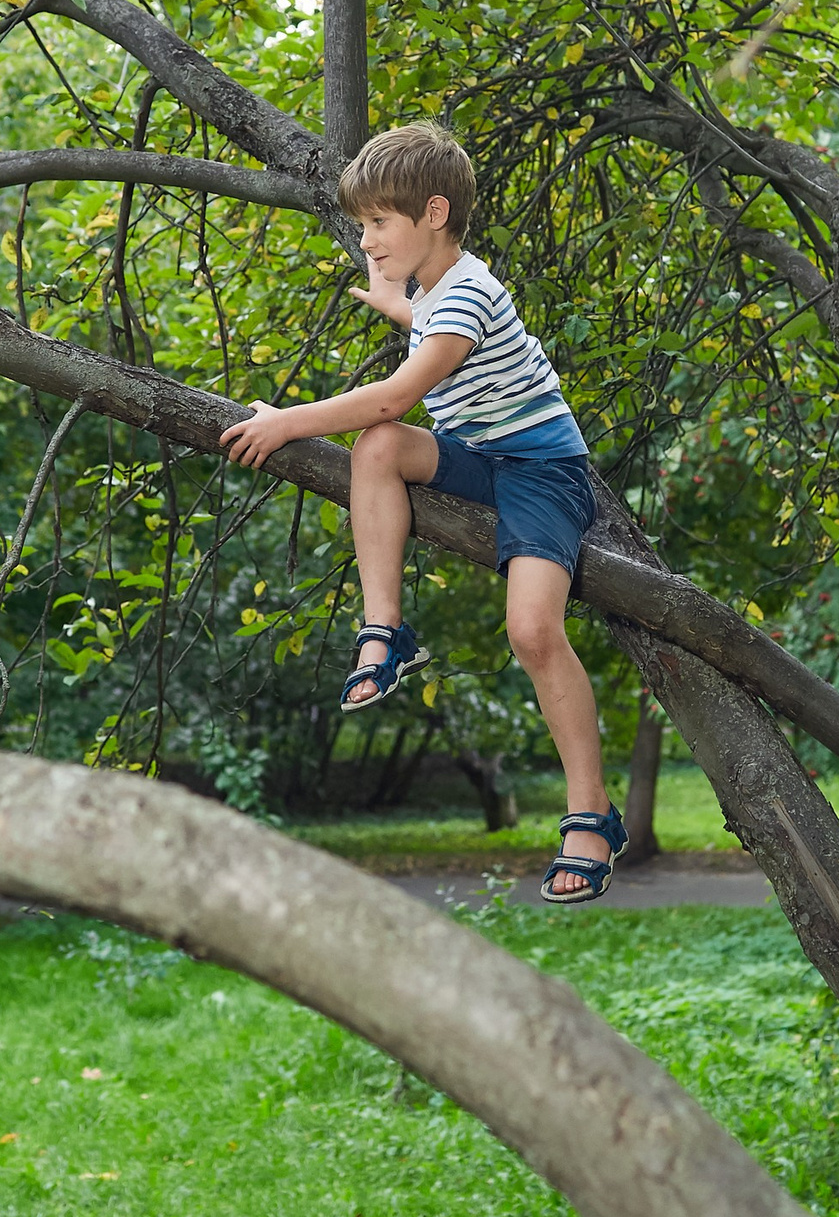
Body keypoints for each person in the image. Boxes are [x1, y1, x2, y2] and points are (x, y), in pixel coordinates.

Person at [221, 123, 623, 903]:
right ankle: (385, 631)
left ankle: (591, 813)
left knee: (532, 630)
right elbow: (439, 346)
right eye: (363, 224)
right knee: (378, 450)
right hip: (476, 456)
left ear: (433, 213)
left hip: (542, 473)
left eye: (378, 222)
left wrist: (286, 422)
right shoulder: (439, 293)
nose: (366, 241)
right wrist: (402, 309)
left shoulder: (467, 290)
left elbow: (399, 394)